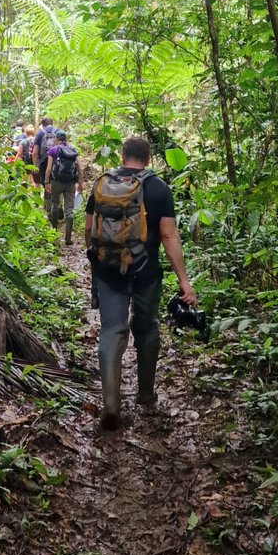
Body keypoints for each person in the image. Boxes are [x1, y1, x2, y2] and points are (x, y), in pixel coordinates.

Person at [85, 135, 196, 431]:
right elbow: (169, 236)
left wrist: (98, 264)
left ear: (122, 156)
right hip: (146, 272)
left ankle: (110, 405)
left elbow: (88, 229)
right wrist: (184, 281)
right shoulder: (158, 188)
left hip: (108, 270)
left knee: (112, 330)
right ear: (148, 159)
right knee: (145, 327)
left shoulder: (102, 184)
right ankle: (145, 396)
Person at [44, 128, 83, 244]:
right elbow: (80, 168)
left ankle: (54, 234)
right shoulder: (73, 150)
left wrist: (46, 182)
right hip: (70, 183)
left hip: (57, 182)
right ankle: (68, 238)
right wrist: (80, 183)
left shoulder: (53, 150)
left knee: (55, 205)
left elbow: (49, 169)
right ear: (65, 139)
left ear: (57, 139)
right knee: (69, 210)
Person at [32, 117, 58, 204]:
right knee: (56, 181)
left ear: (42, 125)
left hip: (44, 162)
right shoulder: (58, 131)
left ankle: (48, 206)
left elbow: (35, 152)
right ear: (52, 123)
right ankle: (57, 204)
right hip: (57, 161)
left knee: (46, 182)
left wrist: (35, 166)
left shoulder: (40, 134)